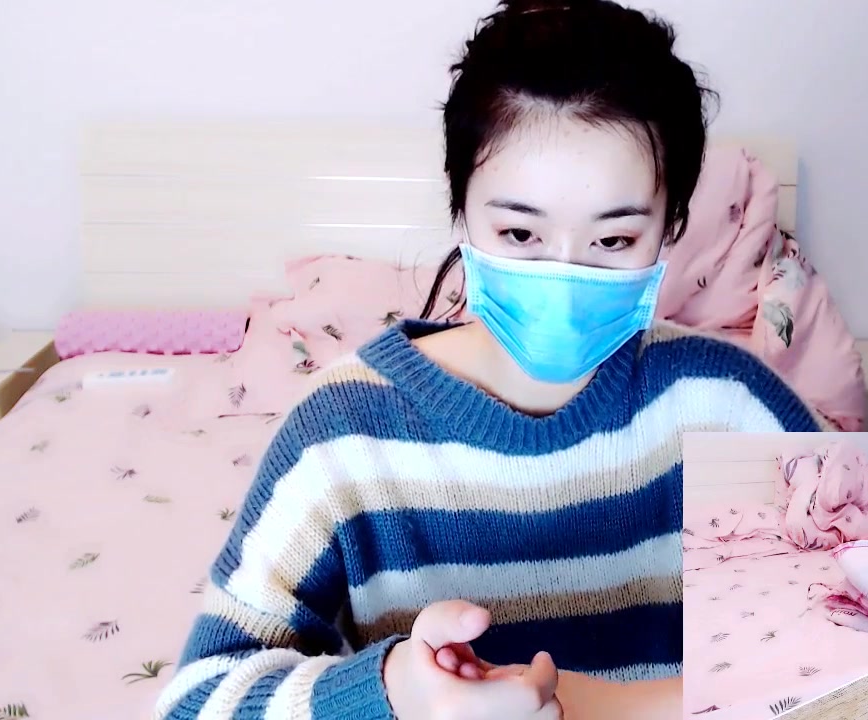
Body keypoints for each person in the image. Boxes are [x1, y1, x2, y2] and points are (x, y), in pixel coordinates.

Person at [154, 1, 820, 718]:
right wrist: (393, 691)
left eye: (613, 241)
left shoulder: (730, 403)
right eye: (520, 234)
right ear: (462, 211)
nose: (563, 279)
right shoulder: (340, 438)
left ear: (670, 228)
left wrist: (602, 706)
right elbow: (195, 701)